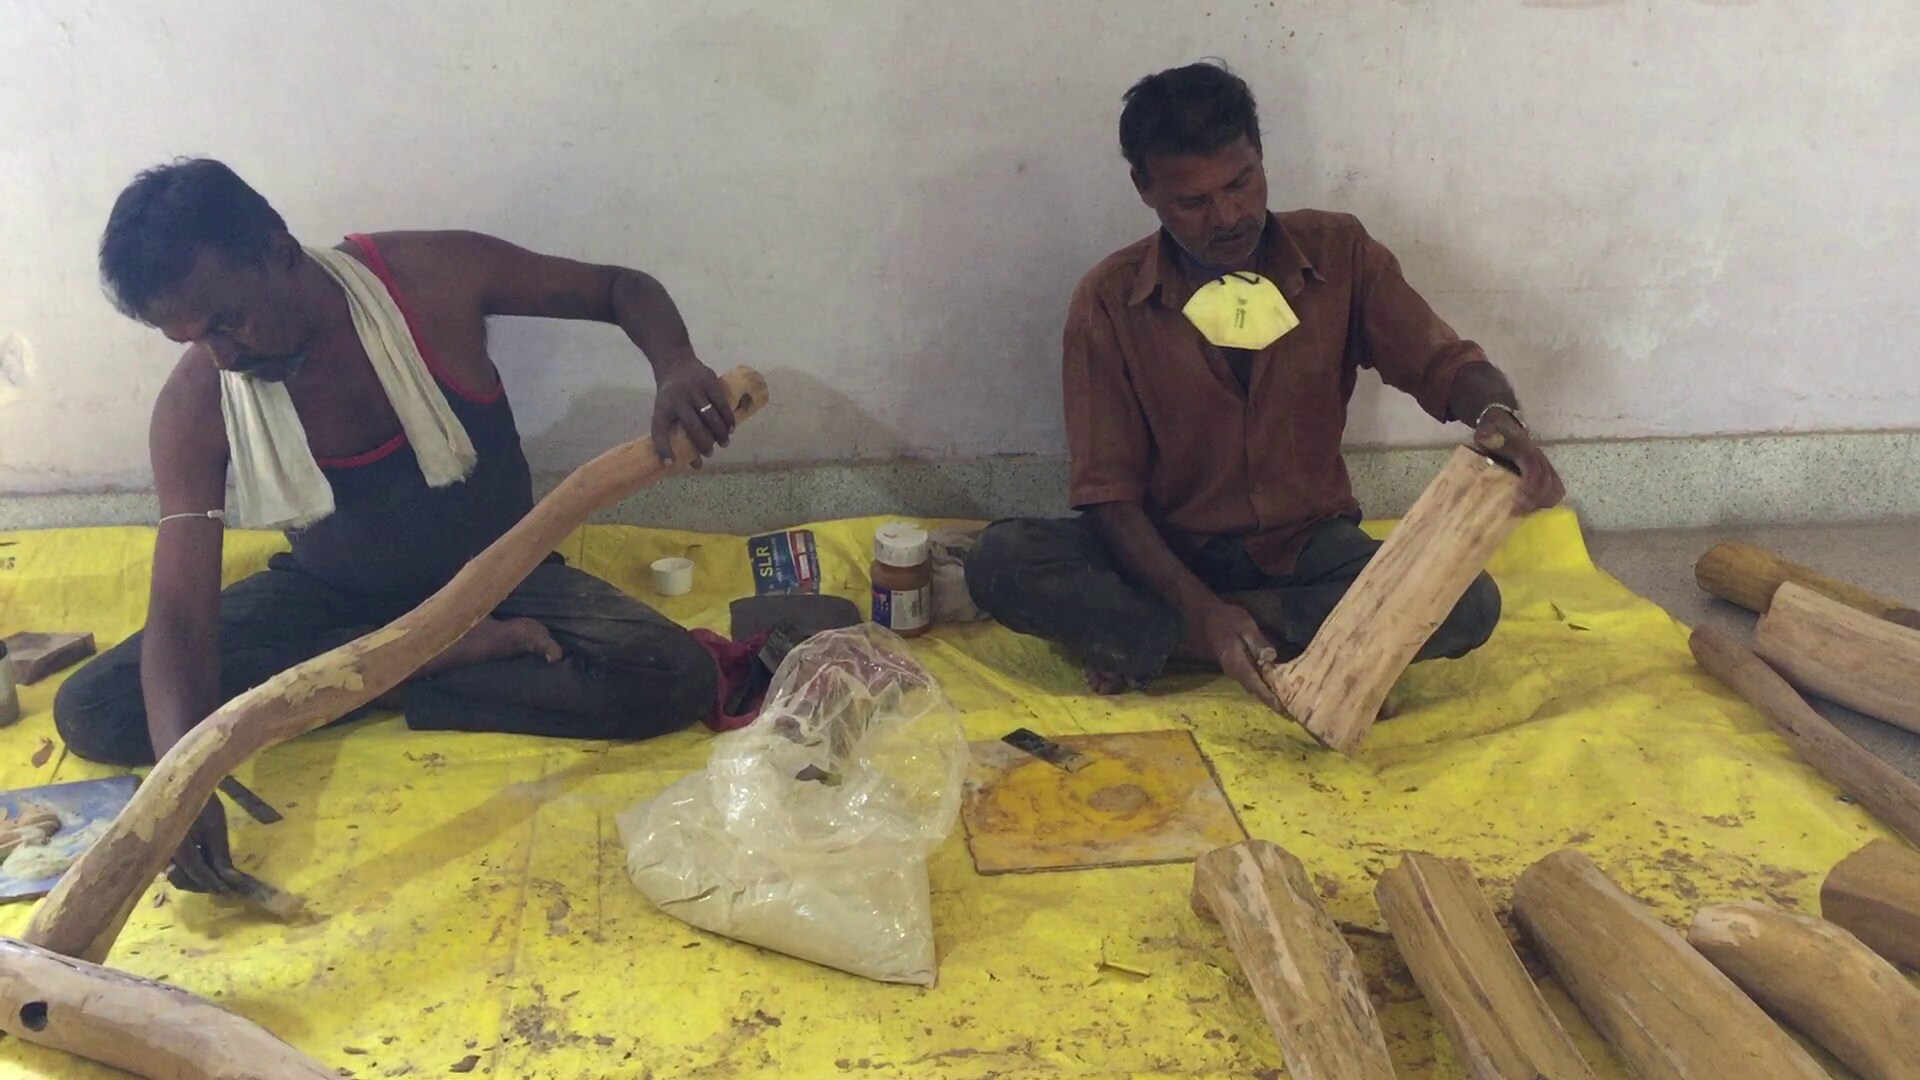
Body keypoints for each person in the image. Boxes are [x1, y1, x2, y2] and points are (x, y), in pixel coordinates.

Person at [56, 158, 736, 893]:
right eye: (191, 339)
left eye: (227, 321)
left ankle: (363, 677)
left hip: (503, 579)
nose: (224, 356)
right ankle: (411, 667)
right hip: (332, 599)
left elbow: (619, 288)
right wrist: (177, 790)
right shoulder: (198, 401)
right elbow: (182, 615)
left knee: (672, 676)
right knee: (94, 707)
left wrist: (676, 364)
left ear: (280, 254)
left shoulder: (428, 277)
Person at [965, 62, 1565, 711]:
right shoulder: (1108, 301)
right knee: (1001, 560)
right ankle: (1270, 638)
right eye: (1193, 202)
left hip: (1306, 550)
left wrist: (1501, 415)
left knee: (1471, 603)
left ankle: (1186, 641)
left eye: (1242, 183)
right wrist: (1194, 602)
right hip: (1167, 557)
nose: (1228, 215)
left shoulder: (1341, 253)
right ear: (1145, 188)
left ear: (1259, 156)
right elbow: (1109, 500)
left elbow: (1445, 365)